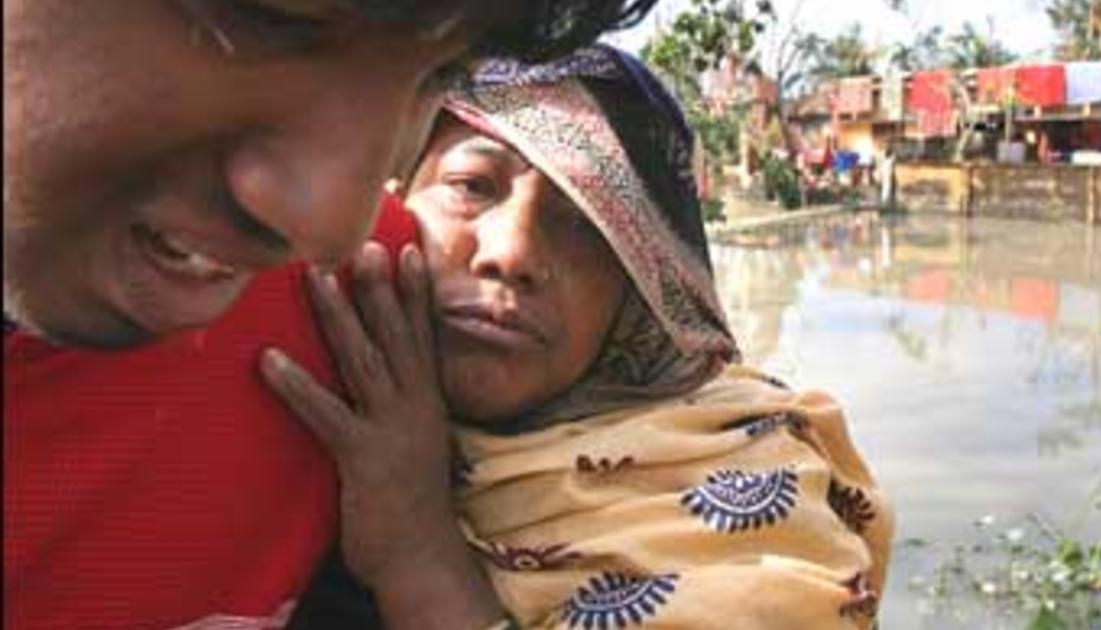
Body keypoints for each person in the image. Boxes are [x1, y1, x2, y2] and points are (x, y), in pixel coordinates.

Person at [4, 2, 657, 628]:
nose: (334, 222)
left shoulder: (372, 314)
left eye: (440, 75)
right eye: (268, 16)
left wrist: (421, 557)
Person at [269, 45, 895, 629]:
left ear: (642, 290)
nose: (511, 253)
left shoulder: (742, 482)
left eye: (587, 224)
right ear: (395, 195)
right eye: (471, 187)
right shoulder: (281, 385)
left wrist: (420, 553)